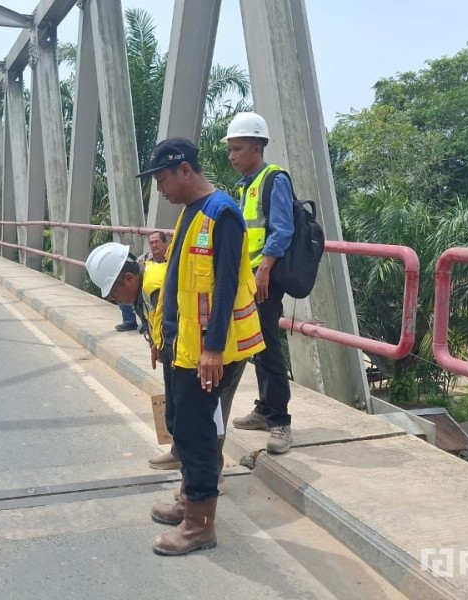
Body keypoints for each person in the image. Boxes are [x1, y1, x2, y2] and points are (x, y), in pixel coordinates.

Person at [137, 137, 265, 556]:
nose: (160, 189)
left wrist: (212, 349)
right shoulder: (192, 213)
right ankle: (187, 501)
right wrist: (163, 338)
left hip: (206, 352)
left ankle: (199, 526)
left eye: (162, 179)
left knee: (197, 435)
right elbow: (179, 285)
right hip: (182, 346)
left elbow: (225, 287)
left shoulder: (222, 214)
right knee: (181, 425)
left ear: (185, 170)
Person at [225, 112, 297, 455]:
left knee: (268, 346)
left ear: (257, 146)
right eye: (230, 150)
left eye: (238, 148)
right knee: (256, 346)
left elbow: (282, 229)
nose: (232, 156)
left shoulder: (274, 179)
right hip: (250, 278)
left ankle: (280, 421)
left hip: (263, 279)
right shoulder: (248, 185)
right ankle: (265, 408)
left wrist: (264, 269)